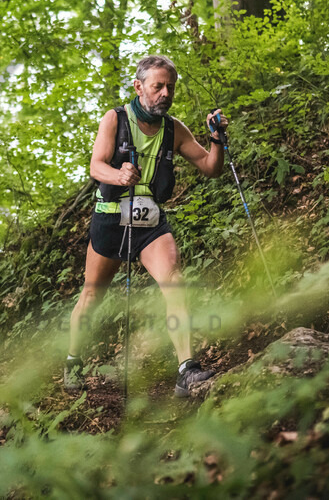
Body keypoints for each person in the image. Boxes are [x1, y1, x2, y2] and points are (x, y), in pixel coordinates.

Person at [64, 55, 228, 397]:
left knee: (174, 281)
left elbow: (211, 168)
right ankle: (73, 361)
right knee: (92, 295)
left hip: (150, 220)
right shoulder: (115, 119)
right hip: (111, 217)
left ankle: (186, 370)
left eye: (171, 87)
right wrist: (118, 174)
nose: (166, 93)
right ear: (139, 87)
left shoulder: (174, 129)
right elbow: (96, 166)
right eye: (158, 86)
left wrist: (217, 139)